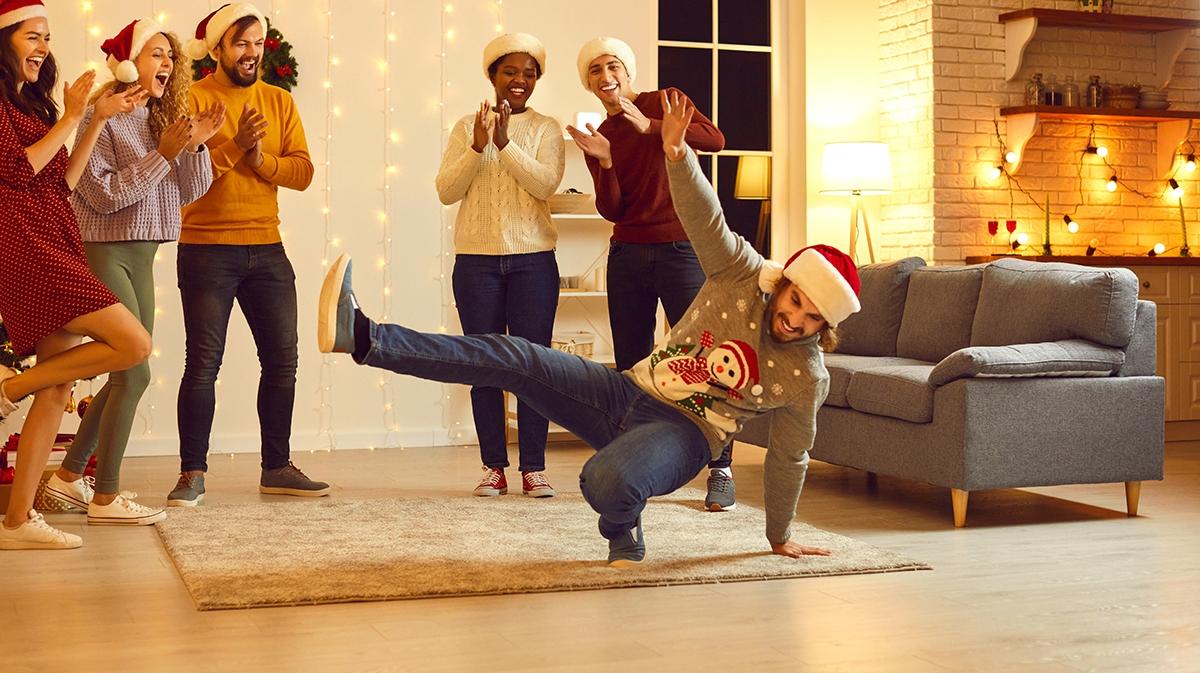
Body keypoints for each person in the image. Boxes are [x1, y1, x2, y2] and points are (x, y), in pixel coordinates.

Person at [319, 91, 859, 566]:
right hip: (624, 390)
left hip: (686, 434)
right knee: (510, 355)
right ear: (783, 282)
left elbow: (791, 455)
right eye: (796, 301)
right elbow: (706, 217)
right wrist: (675, 154)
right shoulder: (740, 274)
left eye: (814, 319)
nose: (796, 321)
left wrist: (779, 535)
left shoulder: (804, 376)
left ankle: (622, 530)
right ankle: (363, 337)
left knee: (604, 479)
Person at [41, 18, 222, 526]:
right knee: (134, 370)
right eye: (155, 53)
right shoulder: (105, 116)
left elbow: (188, 191)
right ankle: (106, 496)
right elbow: (105, 193)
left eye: (170, 56)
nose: (165, 63)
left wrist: (193, 145)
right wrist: (163, 155)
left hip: (145, 254)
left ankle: (68, 478)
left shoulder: (161, 119)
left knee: (128, 373)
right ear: (129, 62)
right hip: (104, 251)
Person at [0, 0, 152, 549]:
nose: (43, 47)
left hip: (53, 234)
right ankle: (9, 386)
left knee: (59, 382)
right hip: (27, 248)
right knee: (134, 343)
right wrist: (71, 115)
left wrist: (96, 118)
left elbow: (59, 180)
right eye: (31, 37)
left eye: (46, 37)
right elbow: (18, 171)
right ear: (5, 41)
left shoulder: (31, 104)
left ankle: (16, 522)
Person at [565, 37, 739, 513]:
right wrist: (603, 162)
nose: (606, 76)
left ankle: (720, 468)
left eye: (613, 65)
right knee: (633, 366)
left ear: (628, 71)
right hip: (628, 255)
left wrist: (652, 126)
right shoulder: (602, 133)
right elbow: (612, 208)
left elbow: (714, 140)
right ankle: (633, 463)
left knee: (705, 358)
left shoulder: (665, 101)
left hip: (682, 249)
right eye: (595, 70)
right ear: (589, 83)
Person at [166, 2, 324, 507]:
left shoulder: (278, 101)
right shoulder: (189, 99)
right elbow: (183, 184)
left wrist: (261, 160)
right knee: (203, 363)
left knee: (283, 361)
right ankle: (193, 472)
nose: (252, 53)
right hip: (207, 251)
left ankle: (276, 467)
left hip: (267, 249)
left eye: (258, 43)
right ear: (217, 49)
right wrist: (235, 148)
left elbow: (302, 172)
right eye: (241, 43)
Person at [433, 33, 564, 499]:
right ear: (492, 75)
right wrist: (477, 145)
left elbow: (546, 184)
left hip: (533, 262)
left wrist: (505, 144)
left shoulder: (548, 129)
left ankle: (533, 468)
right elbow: (446, 190)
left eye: (529, 74)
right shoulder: (467, 125)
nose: (520, 81)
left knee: (533, 366)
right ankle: (493, 467)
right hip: (477, 265)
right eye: (511, 71)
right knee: (484, 365)